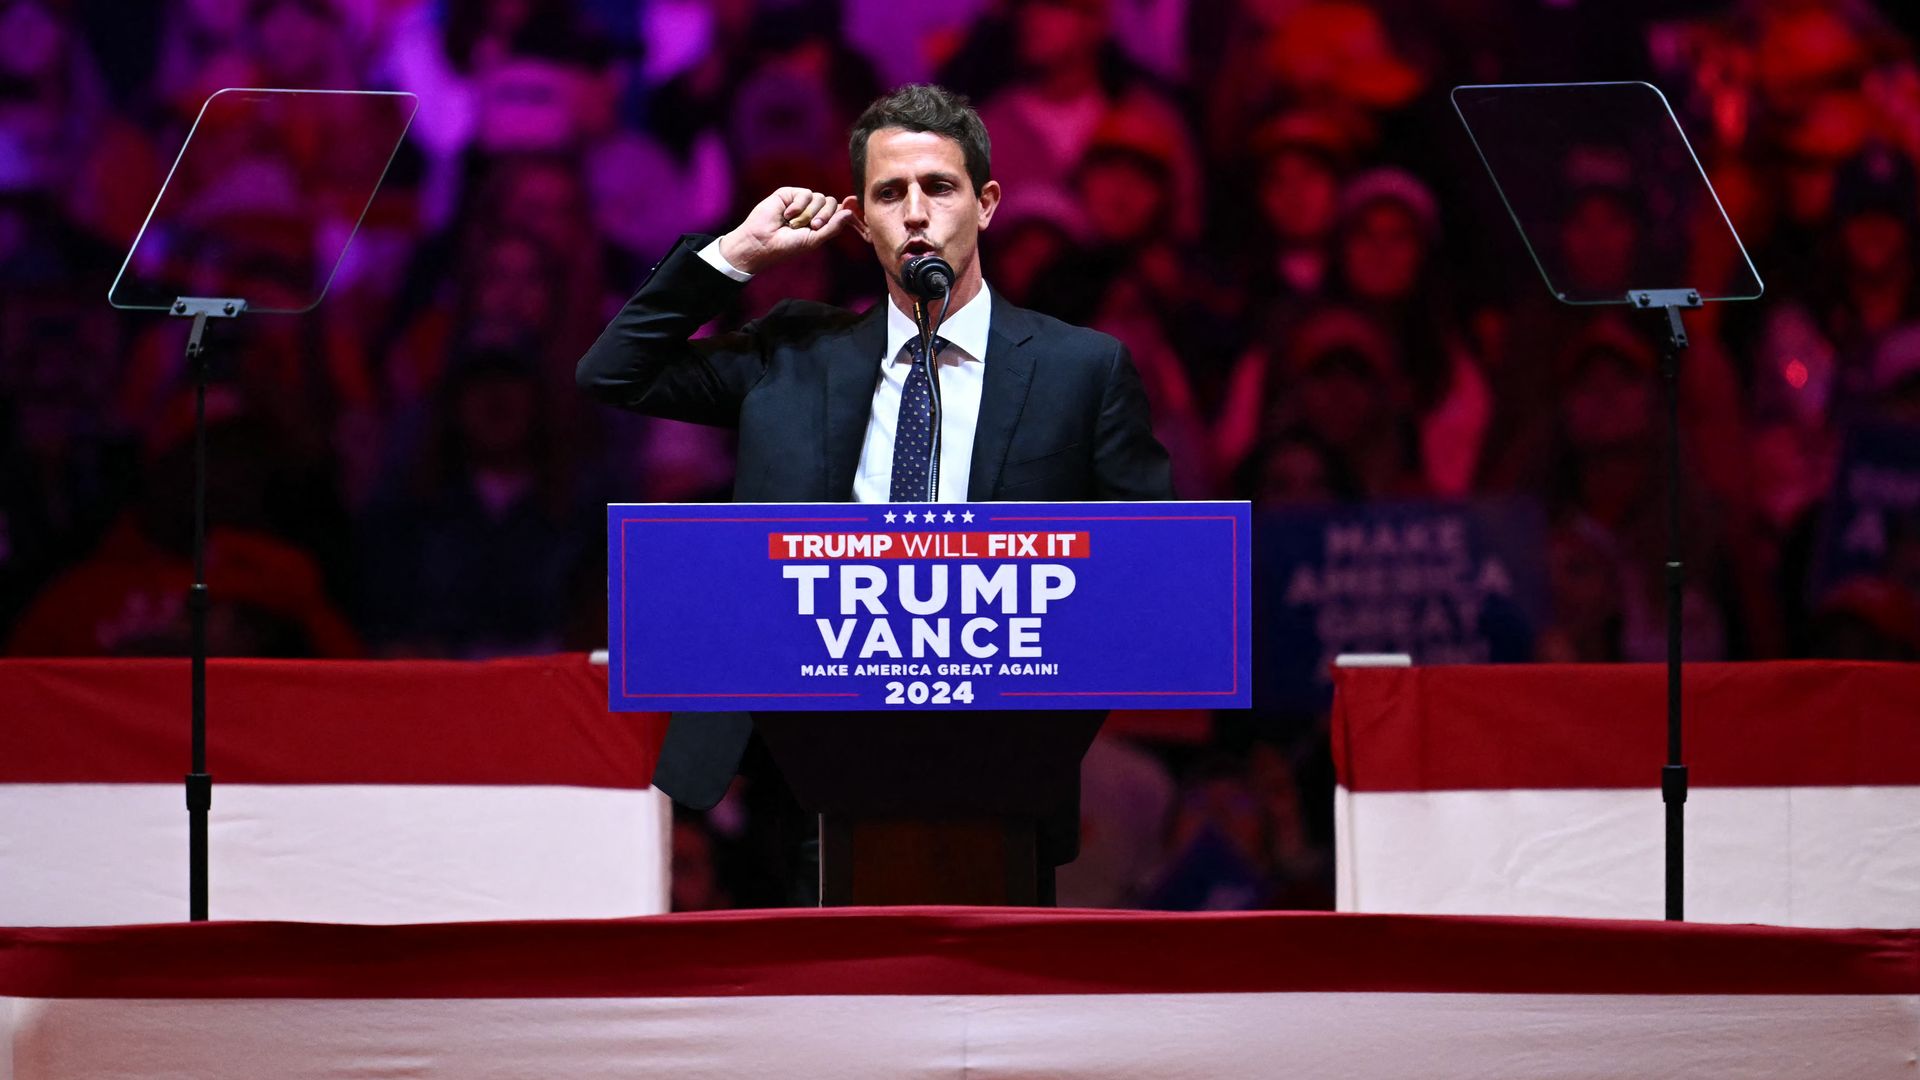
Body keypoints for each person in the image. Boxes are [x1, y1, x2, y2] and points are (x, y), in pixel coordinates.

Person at [575, 83, 1175, 898]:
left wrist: (1049, 722)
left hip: (1000, 765)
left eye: (940, 187)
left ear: (987, 204)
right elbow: (614, 370)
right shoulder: (794, 351)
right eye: (891, 194)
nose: (916, 213)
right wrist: (734, 255)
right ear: (862, 221)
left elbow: (1150, 570)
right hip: (794, 770)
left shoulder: (1082, 370)